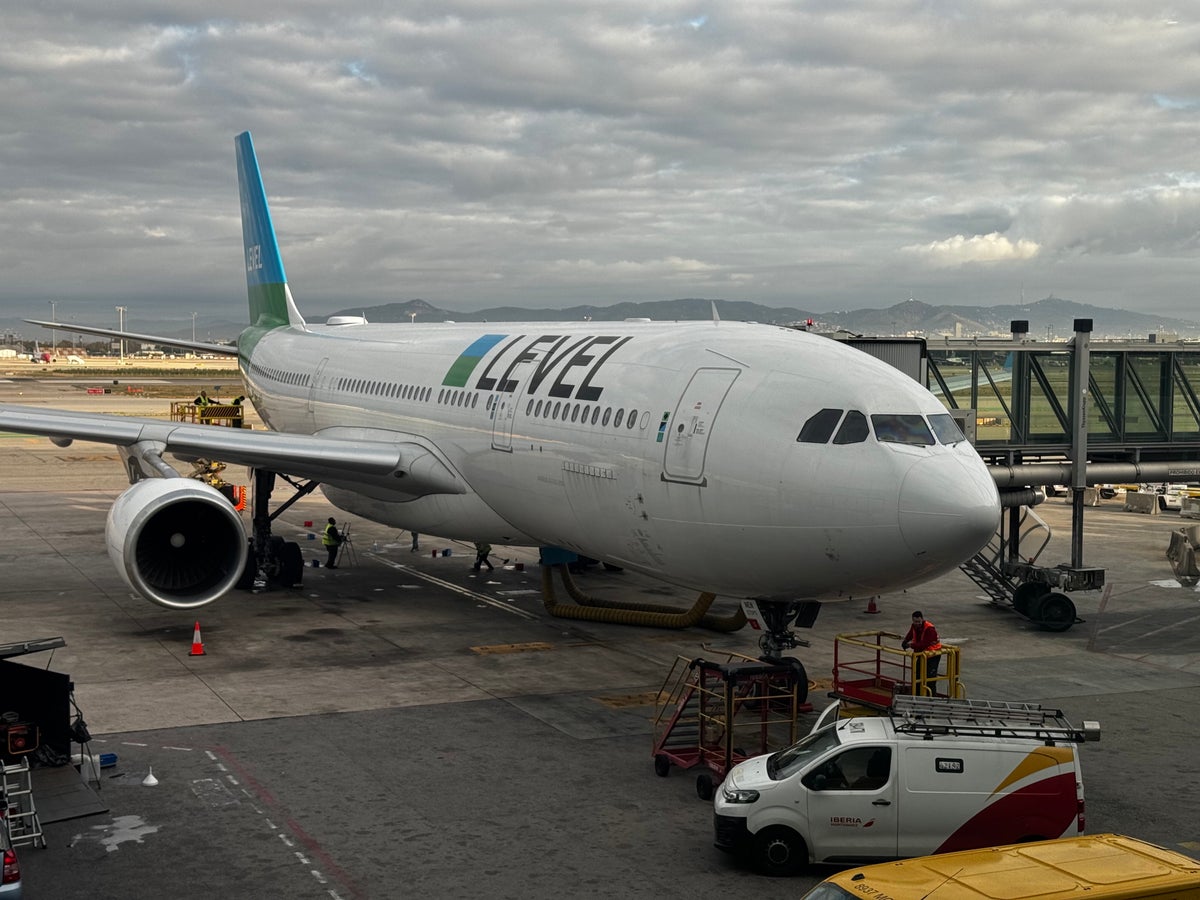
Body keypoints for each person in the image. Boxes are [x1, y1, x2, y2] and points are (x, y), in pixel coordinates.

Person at [901, 610, 943, 689]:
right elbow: (911, 634)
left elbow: (924, 644)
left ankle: (931, 696)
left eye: (919, 621)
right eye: (915, 622)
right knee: (917, 675)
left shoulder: (929, 629)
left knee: (930, 678)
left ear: (922, 619)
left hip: (933, 655)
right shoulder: (914, 626)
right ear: (913, 621)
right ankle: (918, 693)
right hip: (923, 654)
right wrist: (905, 641)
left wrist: (910, 645)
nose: (917, 623)